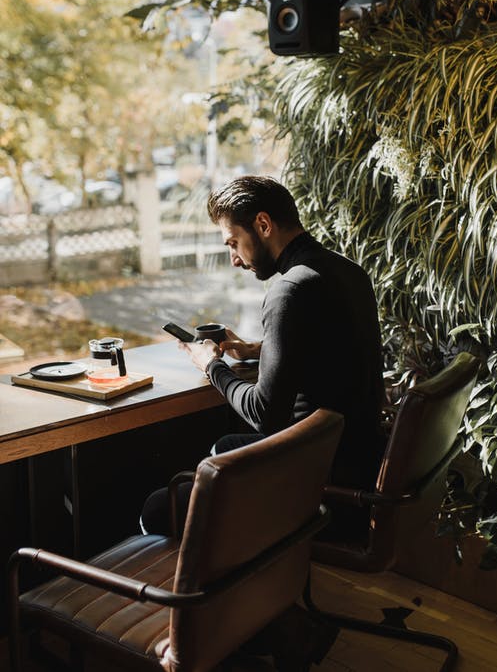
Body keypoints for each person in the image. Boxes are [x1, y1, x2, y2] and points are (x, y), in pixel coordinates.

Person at [140, 175, 385, 538]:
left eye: (233, 243)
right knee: (224, 447)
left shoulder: (289, 291)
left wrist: (212, 366)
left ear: (264, 224)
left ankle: (215, 586)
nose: (234, 259)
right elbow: (334, 352)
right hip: (355, 466)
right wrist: (260, 349)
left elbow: (265, 414)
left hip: (317, 489)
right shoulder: (347, 271)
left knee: (160, 507)